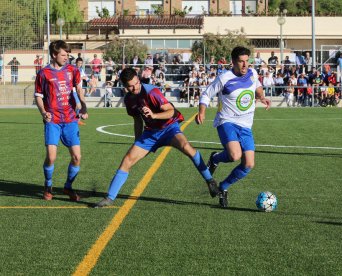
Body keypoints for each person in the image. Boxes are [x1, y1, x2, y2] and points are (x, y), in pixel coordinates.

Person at [94, 68, 219, 208]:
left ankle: (210, 180)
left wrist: (154, 115)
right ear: (124, 86)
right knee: (127, 160)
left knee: (187, 148)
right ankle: (109, 198)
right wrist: (137, 141)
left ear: (138, 79)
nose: (134, 87)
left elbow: (171, 111)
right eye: (130, 85)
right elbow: (137, 120)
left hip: (169, 128)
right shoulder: (129, 99)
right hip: (150, 133)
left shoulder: (151, 92)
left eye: (136, 83)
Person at [195, 46, 271, 208]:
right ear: (233, 62)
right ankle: (215, 159)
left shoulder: (252, 73)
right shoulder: (224, 78)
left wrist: (262, 96)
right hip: (226, 121)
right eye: (241, 62)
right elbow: (206, 94)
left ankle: (223, 187)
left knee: (249, 164)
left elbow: (256, 85)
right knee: (234, 155)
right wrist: (202, 112)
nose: (245, 65)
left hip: (246, 125)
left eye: (247, 62)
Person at [34, 40, 88, 201]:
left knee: (77, 157)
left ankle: (68, 187)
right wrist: (43, 112)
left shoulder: (73, 70)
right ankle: (48, 185)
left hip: (71, 119)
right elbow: (38, 96)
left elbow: (79, 89)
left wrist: (84, 107)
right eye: (63, 55)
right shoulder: (43, 74)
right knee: (51, 157)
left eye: (68, 55)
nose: (67, 58)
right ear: (54, 55)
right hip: (53, 120)